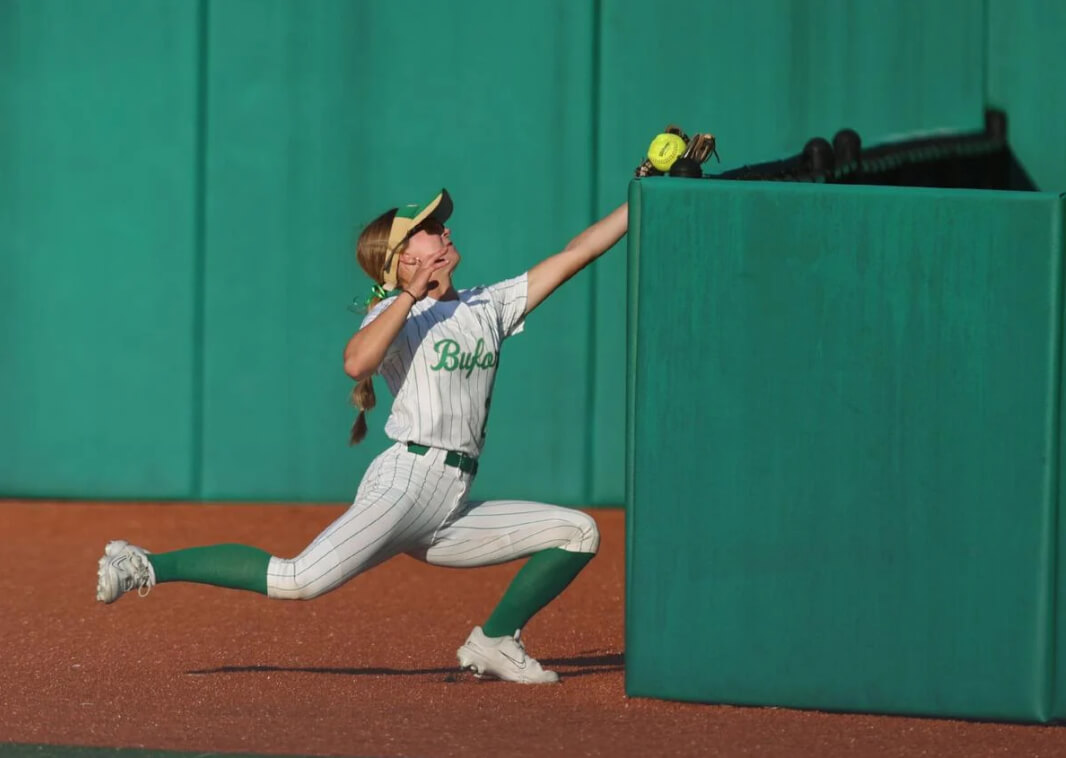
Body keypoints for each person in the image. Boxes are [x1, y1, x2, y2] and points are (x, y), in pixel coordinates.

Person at [96, 188, 628, 684]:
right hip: (406, 483)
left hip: (451, 502)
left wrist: (642, 193)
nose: (443, 230)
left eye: (439, 224)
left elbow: (577, 251)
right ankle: (144, 562)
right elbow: (356, 362)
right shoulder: (399, 315)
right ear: (404, 258)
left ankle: (493, 640)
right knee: (297, 579)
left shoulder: (489, 305)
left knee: (577, 532)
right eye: (428, 228)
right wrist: (407, 293)